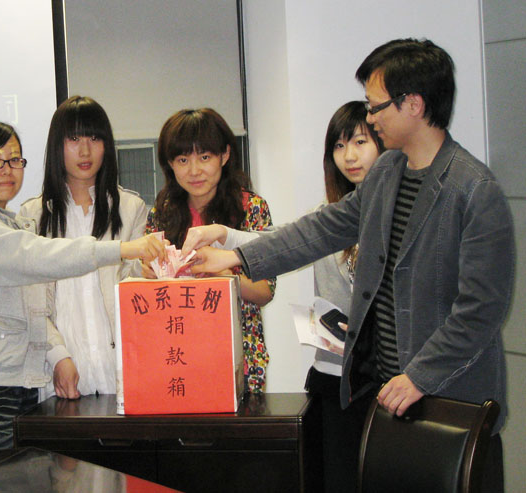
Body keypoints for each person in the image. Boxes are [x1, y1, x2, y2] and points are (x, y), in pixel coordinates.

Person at [183, 38, 513, 491]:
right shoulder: (387, 173)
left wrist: (419, 376)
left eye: (376, 106)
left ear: (414, 104)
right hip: (388, 401)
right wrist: (238, 255)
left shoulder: (474, 189)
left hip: (449, 406)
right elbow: (322, 228)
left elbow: (482, 309)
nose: (371, 117)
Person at [0, 120, 165, 453]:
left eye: (14, 159)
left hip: (16, 385)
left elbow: (33, 303)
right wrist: (121, 249)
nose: (7, 170)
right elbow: (34, 256)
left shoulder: (8, 222)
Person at [20, 96, 147, 400]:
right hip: (61, 378)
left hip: (123, 373)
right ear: (57, 145)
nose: (85, 150)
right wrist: (58, 356)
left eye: (94, 138)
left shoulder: (131, 208)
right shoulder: (33, 215)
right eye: (74, 139)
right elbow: (31, 303)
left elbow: (137, 291)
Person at [145, 108, 275, 393]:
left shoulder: (251, 208)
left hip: (238, 356)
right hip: (177, 354)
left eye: (204, 157)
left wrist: (226, 276)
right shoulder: (161, 213)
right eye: (183, 160)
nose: (194, 171)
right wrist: (149, 273)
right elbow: (150, 294)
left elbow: (265, 292)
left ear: (225, 155)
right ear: (170, 164)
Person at [305, 101, 384, 492]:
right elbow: (281, 241)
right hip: (332, 377)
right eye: (339, 146)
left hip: (381, 381)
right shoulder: (327, 213)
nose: (349, 156)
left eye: (360, 142)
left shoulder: (397, 214)